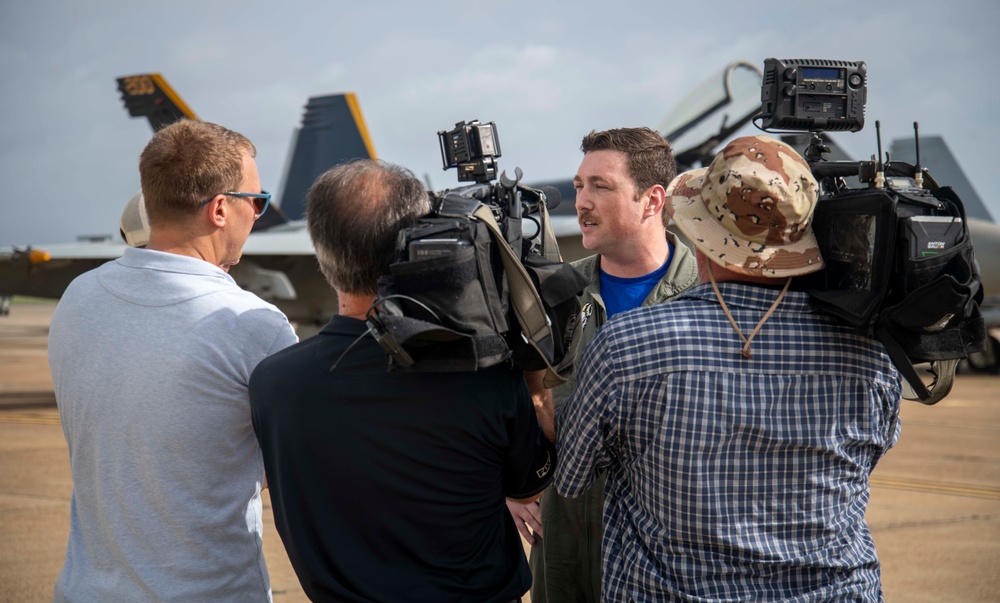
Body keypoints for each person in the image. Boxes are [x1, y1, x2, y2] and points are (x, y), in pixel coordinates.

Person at [556, 135, 902, 601]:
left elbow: (573, 476)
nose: (583, 201)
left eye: (599, 185)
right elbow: (871, 451)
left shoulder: (629, 343)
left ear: (699, 231)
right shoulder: (871, 351)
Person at [248, 159, 557, 602]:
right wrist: (534, 384)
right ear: (417, 244)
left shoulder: (273, 385)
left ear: (321, 249)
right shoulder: (485, 377)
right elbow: (531, 483)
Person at [48, 119, 298, 602]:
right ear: (221, 208)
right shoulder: (255, 325)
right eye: (257, 202)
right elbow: (290, 465)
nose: (258, 216)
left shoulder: (78, 297)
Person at [521, 127, 698, 603]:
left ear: (652, 199)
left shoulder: (711, 295)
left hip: (673, 555)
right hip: (564, 546)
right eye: (579, 186)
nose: (582, 202)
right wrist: (511, 487)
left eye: (601, 186)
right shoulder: (552, 297)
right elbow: (506, 395)